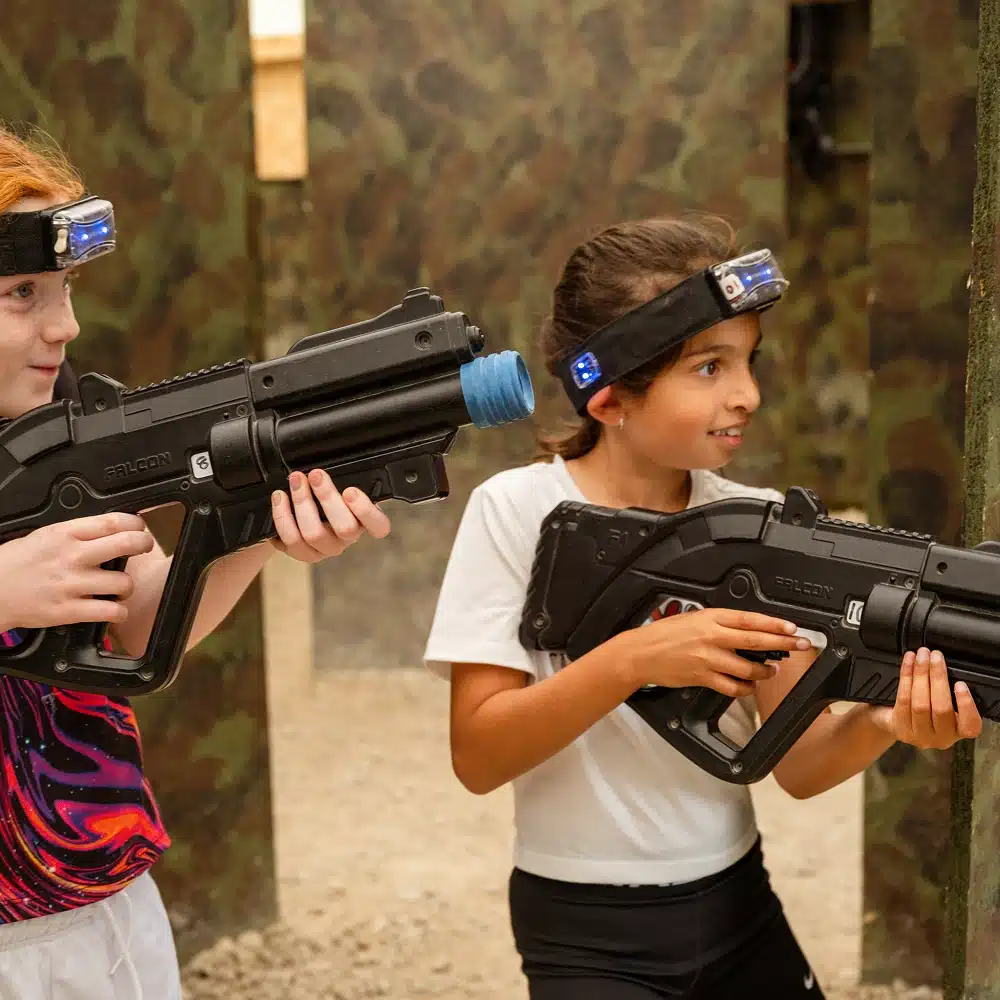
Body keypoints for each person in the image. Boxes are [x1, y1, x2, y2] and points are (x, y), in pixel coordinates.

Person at [424, 215, 982, 1000]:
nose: (747, 394)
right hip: (583, 930)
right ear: (611, 396)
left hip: (735, 905)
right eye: (709, 368)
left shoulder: (755, 526)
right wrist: (634, 660)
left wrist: (887, 722)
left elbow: (799, 765)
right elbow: (478, 756)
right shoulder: (516, 511)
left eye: (749, 362)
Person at [0, 125, 392, 999]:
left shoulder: (44, 432)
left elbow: (135, 617)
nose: (66, 324)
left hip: (103, 911)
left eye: (64, 289)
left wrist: (252, 523)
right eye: (22, 291)